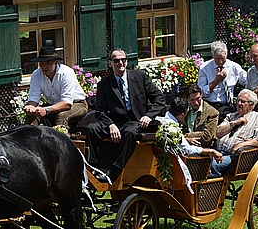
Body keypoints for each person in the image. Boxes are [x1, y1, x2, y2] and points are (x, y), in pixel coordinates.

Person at [85, 48, 166, 181]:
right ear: (110, 63)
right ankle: (93, 166)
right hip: (115, 120)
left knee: (129, 132)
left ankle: (115, 170)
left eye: (123, 60)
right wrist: (110, 125)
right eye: (116, 61)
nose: (120, 63)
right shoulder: (104, 84)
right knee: (91, 128)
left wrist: (148, 116)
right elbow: (99, 110)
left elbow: (160, 99)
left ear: (127, 61)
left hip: (136, 120)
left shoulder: (140, 77)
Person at [23, 46, 88, 128]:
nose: (44, 67)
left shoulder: (66, 73)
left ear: (56, 63)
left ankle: (61, 136)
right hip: (53, 105)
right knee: (32, 116)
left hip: (77, 103)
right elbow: (33, 98)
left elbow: (67, 103)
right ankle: (29, 136)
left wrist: (46, 110)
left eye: (48, 63)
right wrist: (30, 107)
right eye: (42, 64)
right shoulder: (36, 74)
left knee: (62, 116)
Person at [209, 89, 258, 178]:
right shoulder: (231, 116)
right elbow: (217, 133)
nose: (239, 103)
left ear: (251, 105)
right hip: (217, 151)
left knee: (213, 164)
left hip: (235, 156)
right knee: (198, 161)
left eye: (243, 102)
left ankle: (214, 185)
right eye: (238, 101)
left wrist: (240, 145)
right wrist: (234, 123)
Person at [159, 97, 224, 161]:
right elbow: (187, 149)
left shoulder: (161, 119)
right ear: (182, 115)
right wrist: (211, 151)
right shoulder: (172, 129)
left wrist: (186, 139)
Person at [197, 40, 247, 120]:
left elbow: (246, 80)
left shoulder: (233, 67)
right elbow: (201, 92)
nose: (220, 61)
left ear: (226, 54)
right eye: (217, 59)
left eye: (222, 58)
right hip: (210, 104)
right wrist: (216, 81)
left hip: (227, 104)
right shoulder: (205, 68)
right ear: (213, 56)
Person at [182, 84, 219, 149]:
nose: (196, 102)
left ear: (201, 95)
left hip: (203, 148)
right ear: (187, 99)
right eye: (192, 100)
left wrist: (187, 136)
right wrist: (186, 139)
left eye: (198, 98)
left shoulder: (212, 112)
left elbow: (207, 136)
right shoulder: (184, 109)